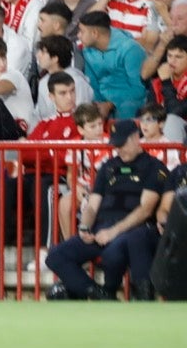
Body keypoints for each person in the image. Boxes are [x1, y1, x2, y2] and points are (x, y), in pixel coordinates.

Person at [45, 120, 169, 300]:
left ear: (136, 138)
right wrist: (85, 227)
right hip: (101, 230)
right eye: (116, 145)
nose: (119, 150)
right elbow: (92, 205)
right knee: (56, 256)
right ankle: (99, 295)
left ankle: (115, 293)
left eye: (122, 144)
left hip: (131, 231)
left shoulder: (154, 167)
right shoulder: (108, 167)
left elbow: (145, 210)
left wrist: (113, 232)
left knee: (114, 253)